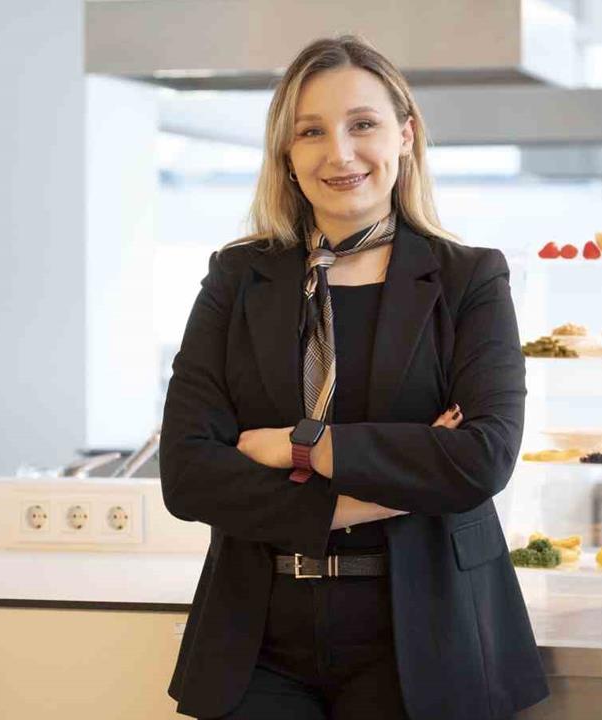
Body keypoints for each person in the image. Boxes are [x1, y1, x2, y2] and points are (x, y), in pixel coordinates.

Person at [160, 34, 548, 720]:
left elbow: (482, 458)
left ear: (406, 136)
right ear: (286, 153)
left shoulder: (469, 279)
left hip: (426, 633)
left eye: (362, 124)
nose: (339, 154)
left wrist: (296, 446)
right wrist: (378, 496)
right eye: (311, 131)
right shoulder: (237, 277)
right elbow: (188, 474)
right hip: (255, 637)